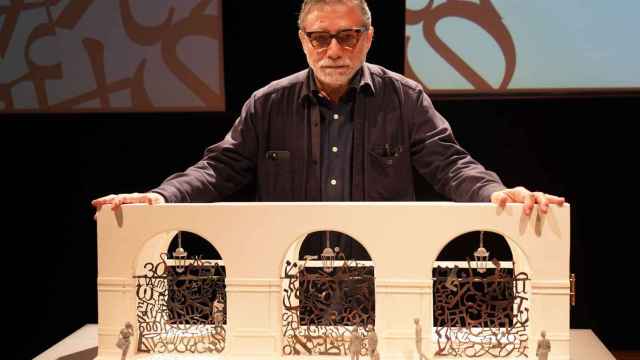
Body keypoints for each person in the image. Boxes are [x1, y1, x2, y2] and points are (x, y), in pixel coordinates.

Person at [92, 0, 564, 216]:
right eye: (320, 37)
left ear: (369, 38)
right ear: (303, 40)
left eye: (347, 35)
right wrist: (159, 197)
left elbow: (450, 164)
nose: (333, 49)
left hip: (382, 273)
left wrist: (497, 194)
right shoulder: (268, 103)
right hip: (288, 272)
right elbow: (219, 169)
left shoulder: (405, 98)